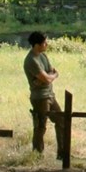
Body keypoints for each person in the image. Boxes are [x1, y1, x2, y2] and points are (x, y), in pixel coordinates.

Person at [23, 31, 64, 159]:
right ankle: (37, 155)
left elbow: (49, 73)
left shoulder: (43, 56)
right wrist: (52, 76)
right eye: (44, 42)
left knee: (62, 120)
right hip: (40, 97)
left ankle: (62, 153)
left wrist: (46, 77)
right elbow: (47, 78)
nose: (47, 44)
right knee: (41, 126)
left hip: (50, 94)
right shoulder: (31, 60)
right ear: (36, 45)